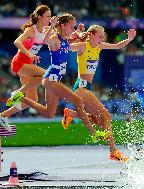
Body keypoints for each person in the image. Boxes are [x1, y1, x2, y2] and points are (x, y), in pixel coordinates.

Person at [8, 13, 110, 142]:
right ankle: (94, 134)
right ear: (63, 26)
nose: (73, 29)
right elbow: (45, 41)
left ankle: (20, 97)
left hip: (54, 79)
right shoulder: (54, 39)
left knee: (49, 114)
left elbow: (71, 42)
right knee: (78, 101)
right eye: (71, 26)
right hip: (51, 78)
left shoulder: (65, 40)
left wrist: (79, 33)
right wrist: (51, 26)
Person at [61, 25, 136, 162]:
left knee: (100, 120)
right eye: (100, 36)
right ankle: (113, 151)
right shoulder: (83, 45)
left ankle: (70, 114)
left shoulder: (100, 46)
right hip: (81, 88)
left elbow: (118, 46)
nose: (102, 38)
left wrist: (129, 39)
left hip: (87, 88)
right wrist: (73, 36)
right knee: (106, 115)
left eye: (103, 36)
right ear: (92, 35)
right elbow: (67, 47)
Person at [0, 5, 57, 131]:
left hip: (28, 64)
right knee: (47, 75)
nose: (49, 18)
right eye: (48, 16)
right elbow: (17, 42)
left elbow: (53, 38)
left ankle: (3, 115)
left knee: (32, 100)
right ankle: (18, 93)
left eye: (50, 16)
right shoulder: (31, 30)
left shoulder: (45, 30)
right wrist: (29, 54)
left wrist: (54, 26)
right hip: (20, 62)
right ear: (40, 17)